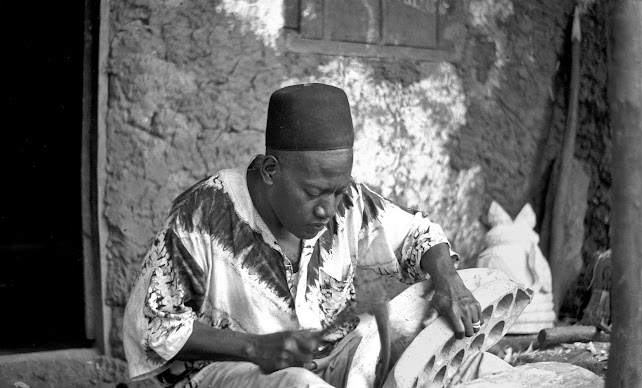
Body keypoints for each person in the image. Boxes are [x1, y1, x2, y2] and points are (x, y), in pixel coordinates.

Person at [123, 83, 482, 388]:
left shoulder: (347, 200)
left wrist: (449, 279)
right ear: (269, 171)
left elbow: (417, 234)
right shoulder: (202, 213)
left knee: (430, 337)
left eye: (338, 191)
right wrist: (255, 348)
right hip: (227, 374)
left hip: (326, 359)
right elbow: (153, 325)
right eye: (313, 194)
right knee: (299, 384)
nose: (329, 209)